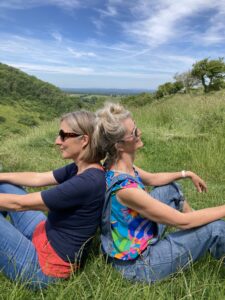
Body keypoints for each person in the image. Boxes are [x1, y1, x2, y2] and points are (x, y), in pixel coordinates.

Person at [96, 102, 225, 283]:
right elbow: (183, 221)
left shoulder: (116, 165)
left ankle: (200, 234)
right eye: (133, 133)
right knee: (217, 228)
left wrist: (185, 174)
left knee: (170, 189)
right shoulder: (126, 190)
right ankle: (207, 236)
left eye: (136, 128)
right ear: (119, 145)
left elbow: (154, 179)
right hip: (138, 266)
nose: (139, 133)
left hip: (136, 240)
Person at [0, 110, 106, 289]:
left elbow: (19, 205)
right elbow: (37, 178)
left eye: (63, 136)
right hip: (43, 236)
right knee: (4, 183)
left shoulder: (87, 182)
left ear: (84, 140)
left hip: (42, 269)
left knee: (12, 197)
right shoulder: (80, 168)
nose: (58, 141)